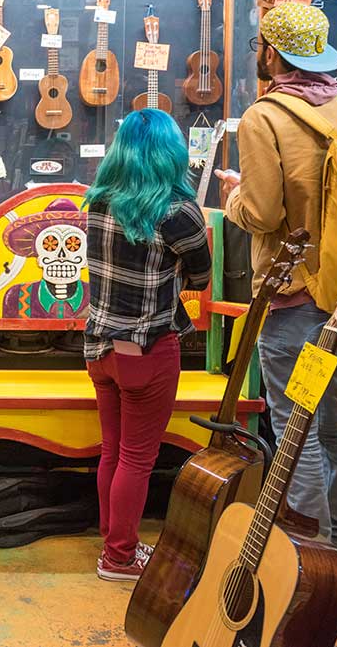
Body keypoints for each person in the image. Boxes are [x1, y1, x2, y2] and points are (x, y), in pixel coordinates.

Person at [216, 1, 337, 570]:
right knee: (335, 423)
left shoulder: (264, 118)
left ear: (272, 54)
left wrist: (234, 197)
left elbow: (265, 215)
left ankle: (304, 557)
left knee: (297, 429)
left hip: (293, 301)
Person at [83, 108, 211, 582]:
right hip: (148, 347)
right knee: (138, 458)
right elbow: (201, 278)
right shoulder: (178, 212)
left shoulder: (96, 201)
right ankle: (119, 557)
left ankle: (113, 538)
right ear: (171, 154)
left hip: (99, 346)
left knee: (112, 452)